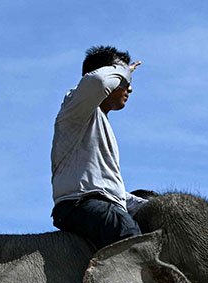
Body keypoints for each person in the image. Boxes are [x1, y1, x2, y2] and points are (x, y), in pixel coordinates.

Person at [51, 45, 147, 249]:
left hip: (103, 205)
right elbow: (99, 81)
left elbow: (110, 192)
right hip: (78, 206)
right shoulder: (75, 107)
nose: (129, 88)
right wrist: (125, 71)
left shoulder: (100, 122)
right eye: (123, 82)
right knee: (129, 235)